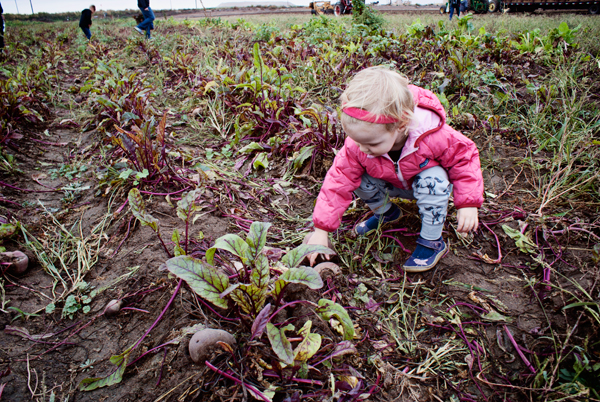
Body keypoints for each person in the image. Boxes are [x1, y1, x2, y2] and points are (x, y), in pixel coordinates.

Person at [306, 67, 483, 272]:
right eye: (357, 141)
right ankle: (387, 213)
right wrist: (321, 229)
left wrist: (468, 203)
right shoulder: (359, 145)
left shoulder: (433, 135)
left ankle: (432, 240)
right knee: (354, 175)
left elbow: (465, 158)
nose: (363, 148)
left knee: (433, 178)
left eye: (371, 144)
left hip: (428, 188)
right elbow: (338, 181)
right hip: (390, 183)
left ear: (401, 125)